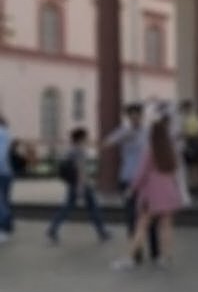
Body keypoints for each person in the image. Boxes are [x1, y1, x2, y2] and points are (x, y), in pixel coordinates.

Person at [112, 116, 182, 269]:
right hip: (169, 193)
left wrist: (131, 189)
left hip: (152, 195)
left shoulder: (150, 152)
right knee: (166, 226)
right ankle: (166, 257)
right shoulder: (170, 151)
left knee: (141, 226)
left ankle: (130, 258)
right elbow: (174, 172)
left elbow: (141, 174)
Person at [102, 103, 159, 263]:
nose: (135, 119)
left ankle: (155, 252)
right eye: (132, 116)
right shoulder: (123, 131)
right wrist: (123, 137)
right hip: (128, 179)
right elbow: (106, 143)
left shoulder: (148, 132)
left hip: (147, 181)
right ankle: (136, 252)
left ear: (142, 115)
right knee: (131, 217)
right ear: (127, 117)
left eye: (137, 115)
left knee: (150, 216)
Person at [47, 128, 111, 244]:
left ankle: (53, 228)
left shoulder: (70, 150)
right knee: (92, 208)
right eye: (85, 137)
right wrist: (81, 187)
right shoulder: (80, 151)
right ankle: (102, 232)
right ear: (81, 138)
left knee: (67, 207)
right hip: (82, 184)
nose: (87, 139)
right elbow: (81, 169)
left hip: (72, 183)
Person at [0, 115, 12, 242]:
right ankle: (7, 228)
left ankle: (3, 230)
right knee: (5, 202)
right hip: (5, 173)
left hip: (2, 173)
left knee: (2, 203)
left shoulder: (1, 133)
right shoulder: (4, 132)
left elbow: (1, 154)